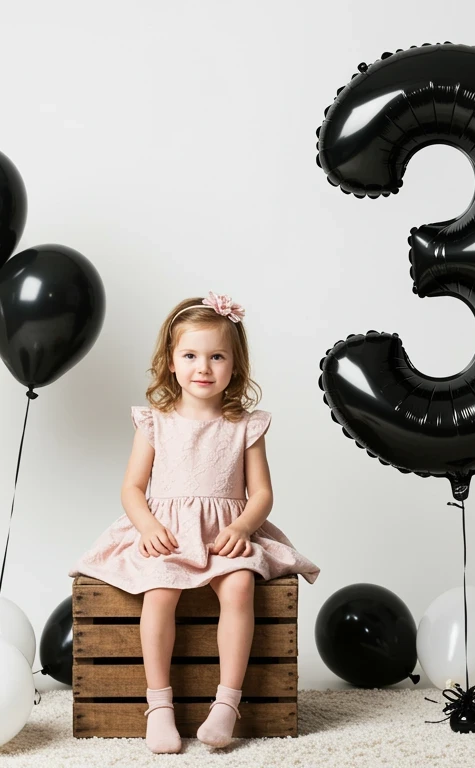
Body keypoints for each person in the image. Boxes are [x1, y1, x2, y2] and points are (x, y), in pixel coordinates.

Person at [69, 291, 319, 753]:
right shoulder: (155, 422)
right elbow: (131, 488)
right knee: (159, 592)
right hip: (168, 533)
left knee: (241, 585)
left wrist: (243, 528)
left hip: (225, 533)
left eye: (217, 356)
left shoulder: (245, 425)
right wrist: (146, 527)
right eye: (190, 355)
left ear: (235, 366)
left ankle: (227, 702)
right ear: (170, 361)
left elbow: (261, 494)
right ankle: (159, 705)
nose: (203, 367)